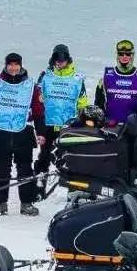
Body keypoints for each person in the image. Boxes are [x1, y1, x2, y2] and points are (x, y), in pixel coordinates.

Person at [0, 52, 46, 217]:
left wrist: (41, 132)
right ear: (6, 65)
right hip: (1, 133)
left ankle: (27, 203)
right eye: (10, 64)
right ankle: (0, 203)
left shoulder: (31, 86)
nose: (13, 67)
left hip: (23, 132)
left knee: (25, 169)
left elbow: (38, 111)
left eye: (16, 64)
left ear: (21, 65)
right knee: (1, 168)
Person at [33, 44, 89, 174]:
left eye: (63, 60)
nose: (60, 63)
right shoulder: (45, 76)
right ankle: (39, 188)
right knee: (44, 157)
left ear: (68, 59)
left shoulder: (77, 78)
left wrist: (82, 121)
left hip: (68, 125)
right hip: (48, 124)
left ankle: (75, 190)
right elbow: (37, 99)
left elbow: (82, 102)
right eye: (57, 60)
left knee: (71, 159)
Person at [95, 39, 137, 128]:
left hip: (132, 129)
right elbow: (99, 103)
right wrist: (101, 121)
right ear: (117, 55)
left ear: (132, 55)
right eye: (121, 54)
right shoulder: (106, 77)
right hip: (109, 127)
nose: (124, 57)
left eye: (128, 54)